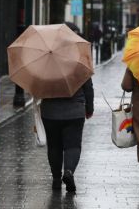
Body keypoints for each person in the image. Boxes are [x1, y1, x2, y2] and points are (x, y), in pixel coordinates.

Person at [40, 24, 94, 192]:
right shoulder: (79, 60)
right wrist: (89, 108)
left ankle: (56, 179)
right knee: (73, 145)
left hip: (50, 111)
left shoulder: (46, 60)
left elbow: (37, 83)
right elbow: (88, 87)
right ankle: (69, 171)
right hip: (74, 110)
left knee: (54, 146)